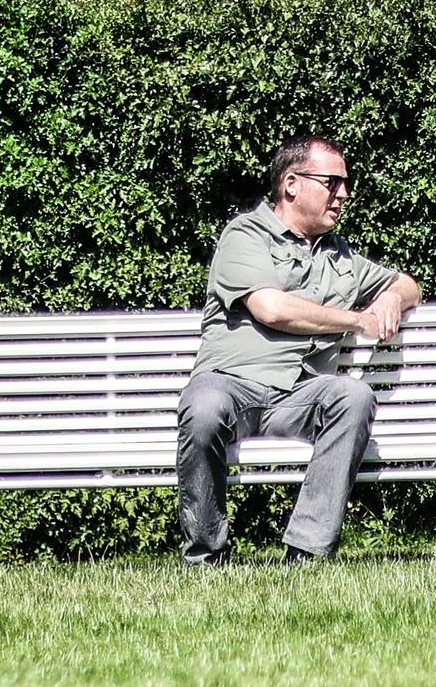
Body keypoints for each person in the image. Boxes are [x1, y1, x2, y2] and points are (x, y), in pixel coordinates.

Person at [176, 136, 422, 564]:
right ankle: (206, 555)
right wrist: (357, 319)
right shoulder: (245, 235)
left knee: (354, 395)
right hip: (234, 386)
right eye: (332, 182)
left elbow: (408, 284)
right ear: (291, 184)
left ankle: (307, 551)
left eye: (345, 183)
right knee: (203, 407)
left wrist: (388, 299)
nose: (343, 193)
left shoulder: (339, 256)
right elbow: (271, 308)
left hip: (301, 395)